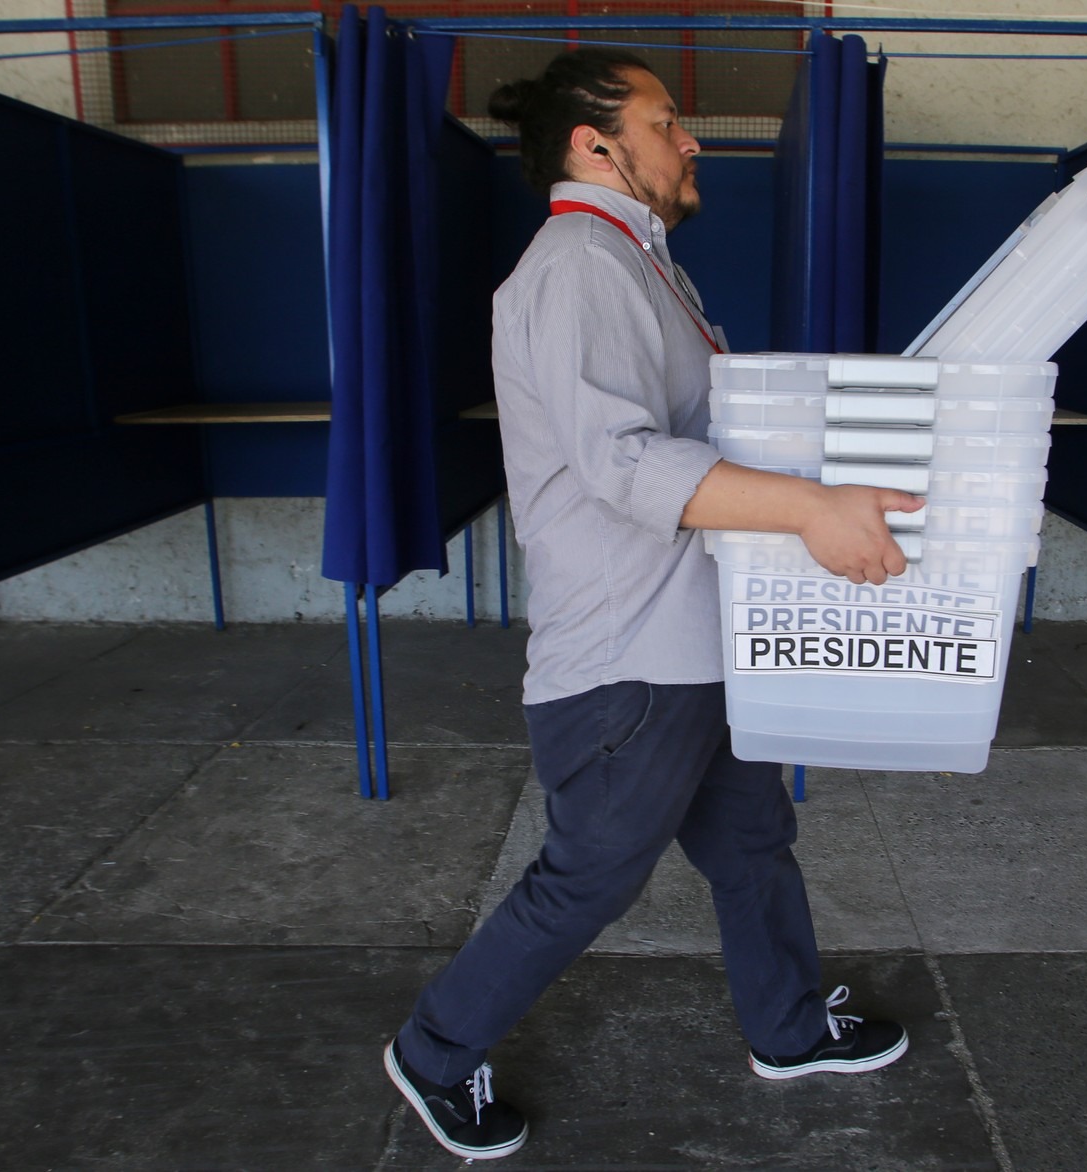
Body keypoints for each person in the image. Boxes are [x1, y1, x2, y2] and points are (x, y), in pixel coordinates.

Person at [383, 48, 923, 1161]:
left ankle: (787, 1027)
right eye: (665, 120)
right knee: (590, 873)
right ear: (595, 144)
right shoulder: (580, 264)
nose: (689, 140)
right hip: (626, 657)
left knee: (752, 840)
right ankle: (434, 1049)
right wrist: (809, 510)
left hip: (690, 638)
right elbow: (624, 462)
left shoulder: (635, 259)